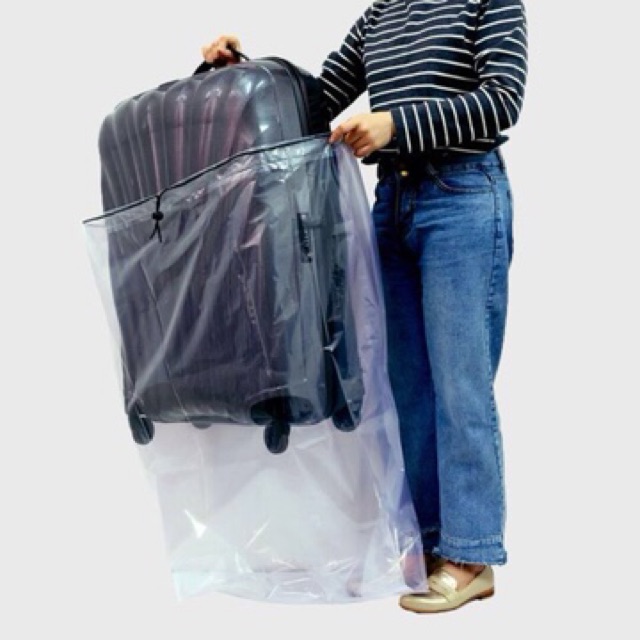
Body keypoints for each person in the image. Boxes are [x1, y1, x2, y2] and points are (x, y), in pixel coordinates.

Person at [201, 0, 528, 614]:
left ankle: (471, 554)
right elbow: (314, 101)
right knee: (406, 387)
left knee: (460, 385)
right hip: (393, 204)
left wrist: (394, 125)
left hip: (463, 198)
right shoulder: (381, 15)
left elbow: (501, 99)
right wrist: (239, 73)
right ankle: (426, 545)